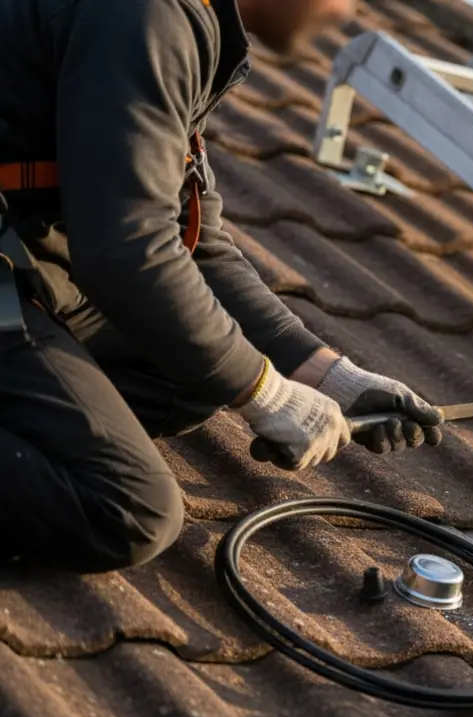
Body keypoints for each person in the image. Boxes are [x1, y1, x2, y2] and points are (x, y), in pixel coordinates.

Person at [0, 0, 443, 574]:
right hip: (18, 272)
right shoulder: (148, 15)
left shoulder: (179, 22)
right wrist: (267, 394)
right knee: (128, 507)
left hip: (30, 265)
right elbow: (128, 251)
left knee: (192, 368)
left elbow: (195, 241)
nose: (348, 12)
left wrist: (327, 376)